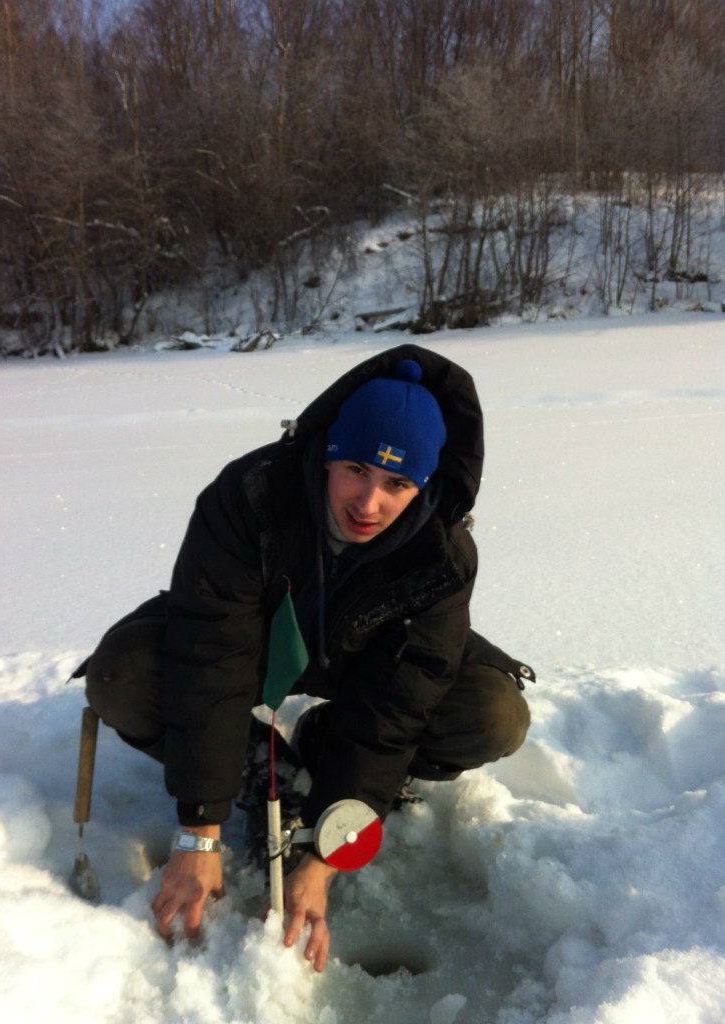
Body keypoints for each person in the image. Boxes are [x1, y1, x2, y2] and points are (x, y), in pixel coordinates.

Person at [78, 344, 533, 972]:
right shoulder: (251, 495)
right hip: (256, 639)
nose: (369, 503)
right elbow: (214, 653)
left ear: (422, 484)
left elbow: (398, 701)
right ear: (327, 455)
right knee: (119, 675)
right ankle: (254, 763)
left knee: (493, 713)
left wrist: (326, 854)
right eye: (355, 471)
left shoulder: (442, 554)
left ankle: (319, 752)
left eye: (397, 483)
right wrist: (198, 830)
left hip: (363, 664)